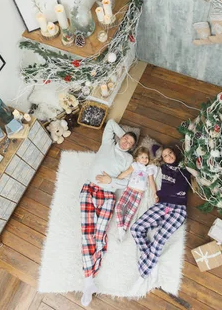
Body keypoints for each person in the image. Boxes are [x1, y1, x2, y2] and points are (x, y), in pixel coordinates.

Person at [79, 119, 136, 306]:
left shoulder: (128, 160)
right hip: (89, 190)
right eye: (125, 138)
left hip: (108, 195)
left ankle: (90, 276)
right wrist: (122, 135)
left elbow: (125, 183)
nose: (126, 142)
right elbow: (110, 123)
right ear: (121, 137)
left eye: (130, 143)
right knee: (87, 233)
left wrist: (108, 179)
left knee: (99, 234)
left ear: (131, 149)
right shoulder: (107, 143)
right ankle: (89, 280)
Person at [129, 146, 191, 290]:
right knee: (136, 228)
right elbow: (152, 150)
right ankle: (153, 261)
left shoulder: (185, 167)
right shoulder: (162, 168)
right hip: (162, 205)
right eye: (165, 155)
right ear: (161, 159)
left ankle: (142, 275)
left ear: (175, 153)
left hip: (178, 209)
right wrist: (156, 193)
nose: (169, 156)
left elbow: (180, 186)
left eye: (170, 153)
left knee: (158, 241)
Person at [113, 147, 158, 242]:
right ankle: (121, 228)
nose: (144, 159)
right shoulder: (135, 165)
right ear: (137, 158)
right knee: (119, 207)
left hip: (139, 193)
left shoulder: (148, 169)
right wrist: (114, 180)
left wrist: (155, 193)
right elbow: (125, 173)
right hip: (129, 190)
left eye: (146, 157)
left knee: (130, 213)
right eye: (142, 157)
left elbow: (151, 182)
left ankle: (123, 231)